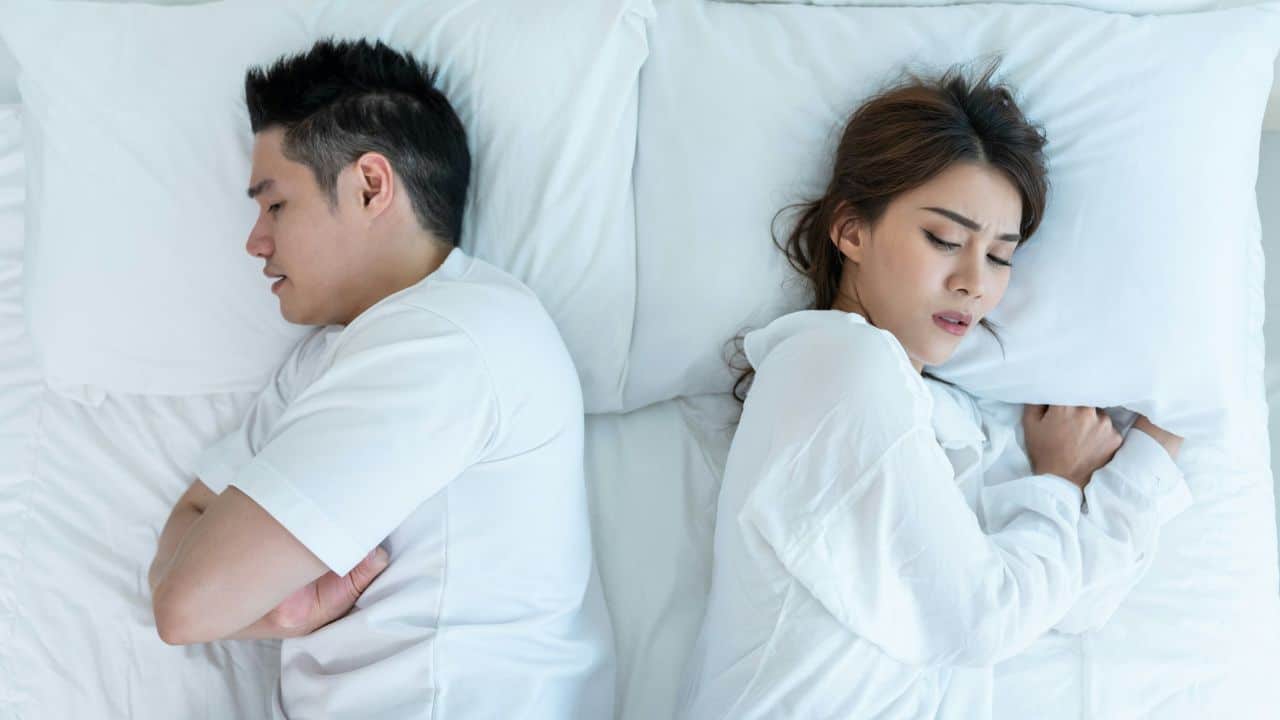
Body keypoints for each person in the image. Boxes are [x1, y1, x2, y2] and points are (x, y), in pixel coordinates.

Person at [677, 61, 1188, 718]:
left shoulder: (955, 417)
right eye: (944, 239)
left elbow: (1071, 603)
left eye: (1001, 255)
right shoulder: (835, 365)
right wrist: (1059, 484)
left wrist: (1145, 461)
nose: (976, 281)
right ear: (850, 230)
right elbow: (982, 621)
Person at [146, 38, 614, 720]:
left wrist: (244, 609)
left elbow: (188, 602)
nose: (255, 240)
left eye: (275, 204)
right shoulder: (326, 356)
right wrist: (276, 617)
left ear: (370, 185)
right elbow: (187, 536)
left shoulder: (449, 337)